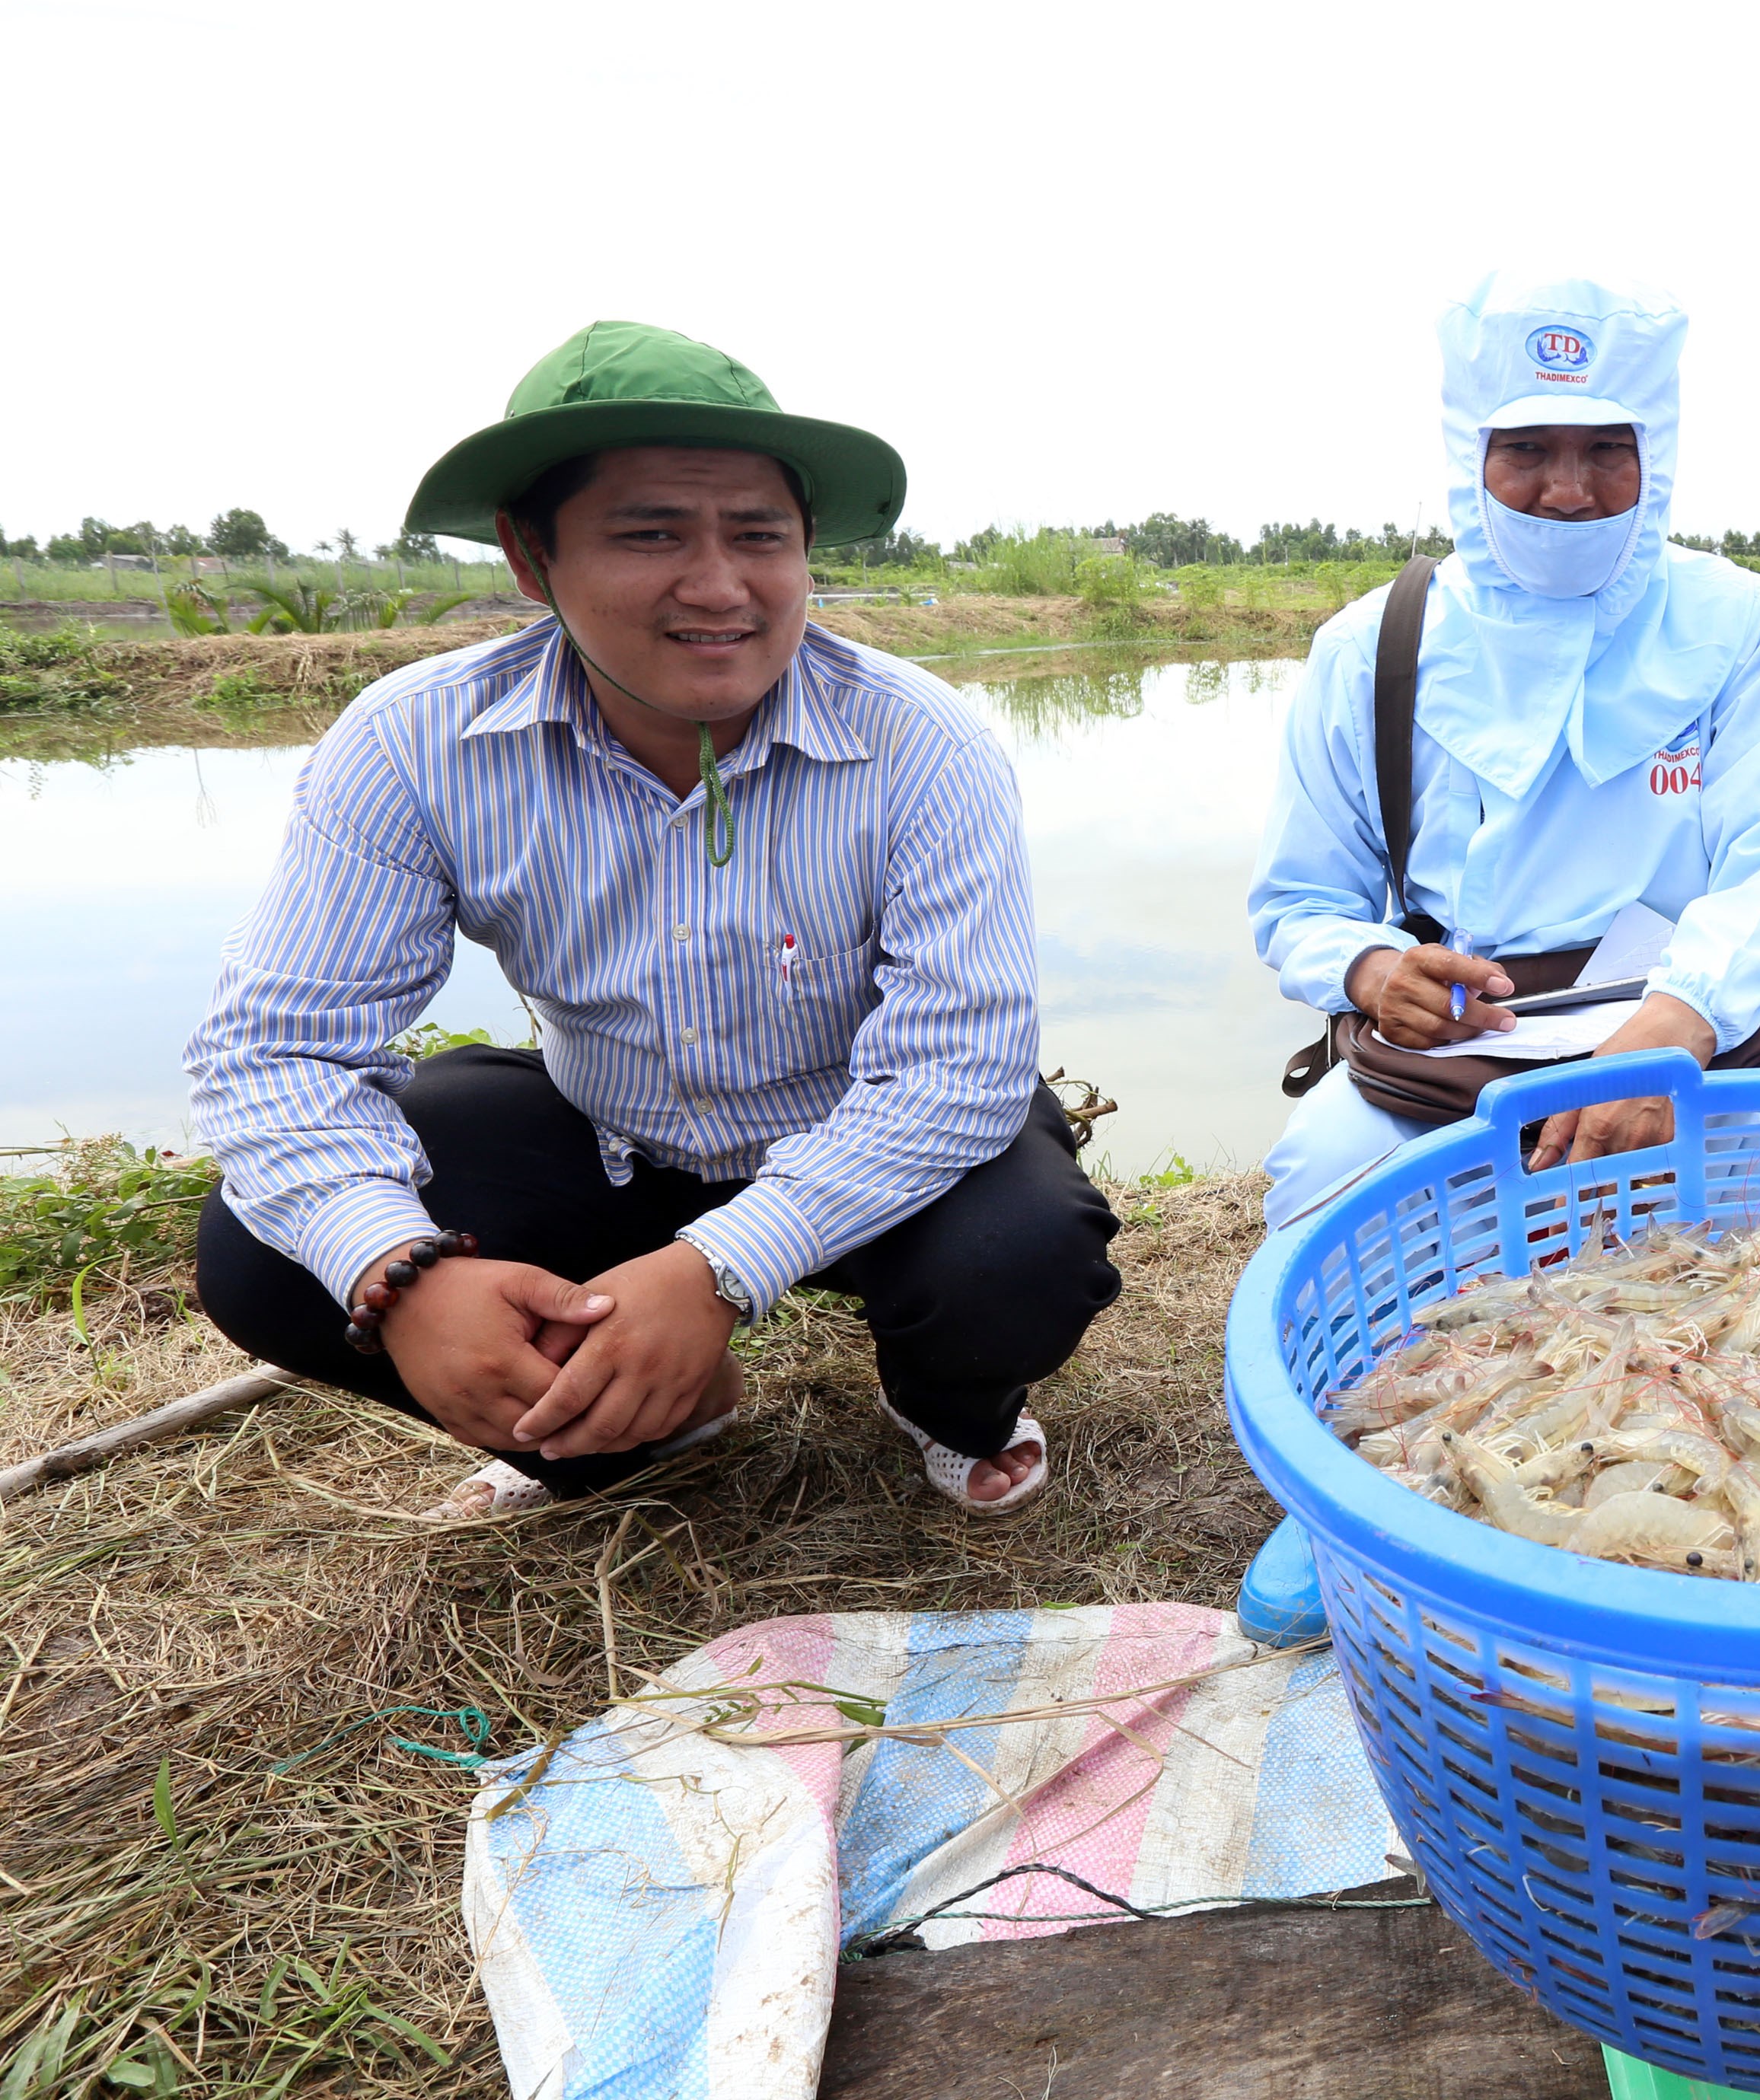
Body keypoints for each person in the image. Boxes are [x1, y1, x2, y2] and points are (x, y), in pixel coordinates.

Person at [187, 323, 1122, 1518]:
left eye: (759, 536)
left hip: (872, 1141)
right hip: (615, 1134)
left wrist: (718, 1271)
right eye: (650, 534)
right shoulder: (409, 742)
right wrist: (399, 1271)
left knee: (1018, 1258)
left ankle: (949, 1407)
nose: (720, 585)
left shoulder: (919, 742)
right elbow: (276, 1048)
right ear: (532, 559)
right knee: (265, 1253)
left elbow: (955, 1068)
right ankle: (628, 1428)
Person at [1247, 272, 1760, 1225]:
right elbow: (1301, 899)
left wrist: (1682, 1017)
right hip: (1470, 1045)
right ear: (1468, 451)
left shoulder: (1740, 623)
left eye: (1608, 450)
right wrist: (1371, 971)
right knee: (1331, 1182)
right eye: (1526, 448)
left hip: (1701, 1023)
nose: (1568, 492)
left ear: (1655, 454)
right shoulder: (1371, 647)